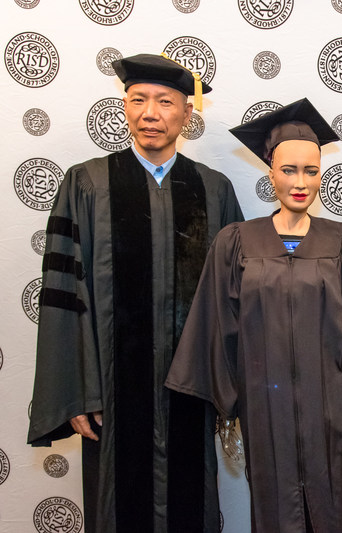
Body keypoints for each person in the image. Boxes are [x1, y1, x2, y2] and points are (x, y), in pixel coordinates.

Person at [27, 53, 243, 533]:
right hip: (111, 389)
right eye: (138, 100)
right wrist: (78, 390)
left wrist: (230, 389)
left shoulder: (214, 189)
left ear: (187, 114)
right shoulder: (87, 184)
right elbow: (64, 296)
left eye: (165, 102)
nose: (150, 113)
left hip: (192, 390)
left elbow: (236, 301)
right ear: (123, 107)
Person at [165, 98, 342, 533]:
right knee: (274, 512)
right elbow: (217, 327)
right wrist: (226, 405)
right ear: (270, 173)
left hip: (332, 407)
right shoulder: (237, 242)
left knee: (337, 506)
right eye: (289, 170)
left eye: (312, 170)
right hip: (263, 407)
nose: (301, 182)